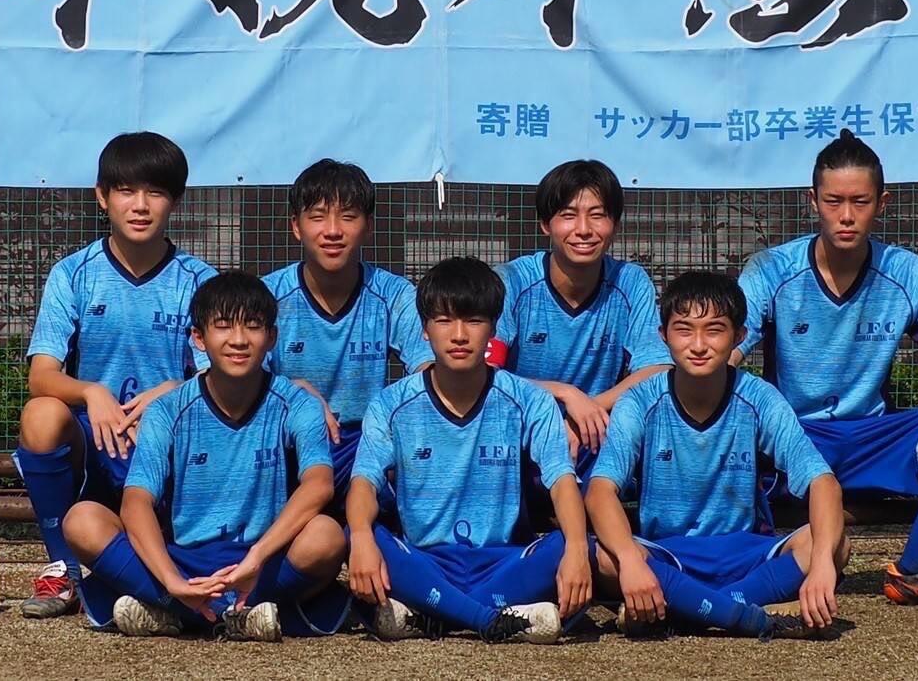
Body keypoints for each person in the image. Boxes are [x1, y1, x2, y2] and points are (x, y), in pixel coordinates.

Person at [736, 130, 918, 608]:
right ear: (813, 202)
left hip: (871, 437)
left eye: (860, 201)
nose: (846, 215)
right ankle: (743, 558)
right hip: (792, 437)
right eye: (834, 201)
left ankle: (914, 568)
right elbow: (725, 355)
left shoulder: (906, 271)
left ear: (881, 203)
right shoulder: (771, 270)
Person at [62, 271, 348, 641]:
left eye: (253, 326)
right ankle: (217, 609)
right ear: (199, 338)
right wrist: (172, 580)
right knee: (82, 520)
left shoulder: (297, 403)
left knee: (327, 536)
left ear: (272, 337)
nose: (239, 340)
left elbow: (319, 485)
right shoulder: (167, 409)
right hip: (184, 559)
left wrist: (257, 557)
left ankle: (178, 612)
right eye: (224, 326)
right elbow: (136, 502)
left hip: (265, 558)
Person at [13, 132, 216, 619]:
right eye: (126, 191)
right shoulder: (73, 274)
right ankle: (63, 568)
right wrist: (92, 392)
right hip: (97, 437)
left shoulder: (200, 281)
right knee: (41, 416)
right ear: (102, 197)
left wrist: (174, 392)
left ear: (175, 201)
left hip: (166, 440)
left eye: (156, 192)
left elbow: (229, 379)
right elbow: (41, 376)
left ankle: (172, 563)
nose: (140, 206)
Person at [346, 257, 592, 644]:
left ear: (494, 327)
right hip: (426, 560)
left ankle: (434, 614)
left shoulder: (530, 400)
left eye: (474, 321)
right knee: (360, 532)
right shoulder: (390, 404)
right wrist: (361, 538)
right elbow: (363, 482)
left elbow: (562, 481)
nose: (459, 335)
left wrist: (576, 549)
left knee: (573, 542)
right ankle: (494, 618)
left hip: (502, 560)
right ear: (424, 328)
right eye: (444, 320)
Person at [588, 272, 843, 640]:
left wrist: (821, 567)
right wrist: (630, 560)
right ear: (663, 336)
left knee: (834, 546)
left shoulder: (759, 398)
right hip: (668, 557)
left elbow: (823, 483)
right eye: (684, 330)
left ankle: (689, 611)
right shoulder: (639, 401)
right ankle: (744, 610)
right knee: (605, 559)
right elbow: (600, 491)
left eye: (714, 330)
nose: (698, 345)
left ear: (739, 336)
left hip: (742, 553)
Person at [259, 159, 431, 507]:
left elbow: (430, 372)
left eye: (348, 216)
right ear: (296, 227)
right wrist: (292, 389)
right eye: (318, 217)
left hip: (364, 443)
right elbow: (228, 379)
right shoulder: (266, 296)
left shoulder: (394, 295)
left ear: (368, 227)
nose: (333, 231)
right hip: (288, 441)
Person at [492, 160, 671, 487]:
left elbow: (657, 368)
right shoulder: (512, 281)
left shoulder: (630, 282)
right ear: (545, 224)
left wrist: (589, 409)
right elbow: (486, 374)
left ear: (615, 224)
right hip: (520, 429)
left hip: (595, 431)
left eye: (597, 215)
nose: (584, 229)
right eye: (568, 215)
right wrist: (565, 396)